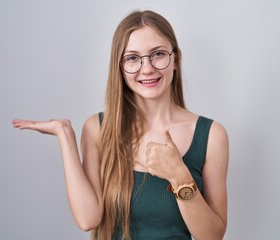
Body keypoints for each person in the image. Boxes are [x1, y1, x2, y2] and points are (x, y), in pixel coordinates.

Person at [12, 10, 229, 240]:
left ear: (176, 59)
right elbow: (88, 219)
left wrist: (179, 176)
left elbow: (212, 236)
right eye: (133, 58)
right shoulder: (97, 128)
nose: (147, 68)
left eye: (158, 54)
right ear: (120, 67)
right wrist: (65, 135)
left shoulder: (212, 135)